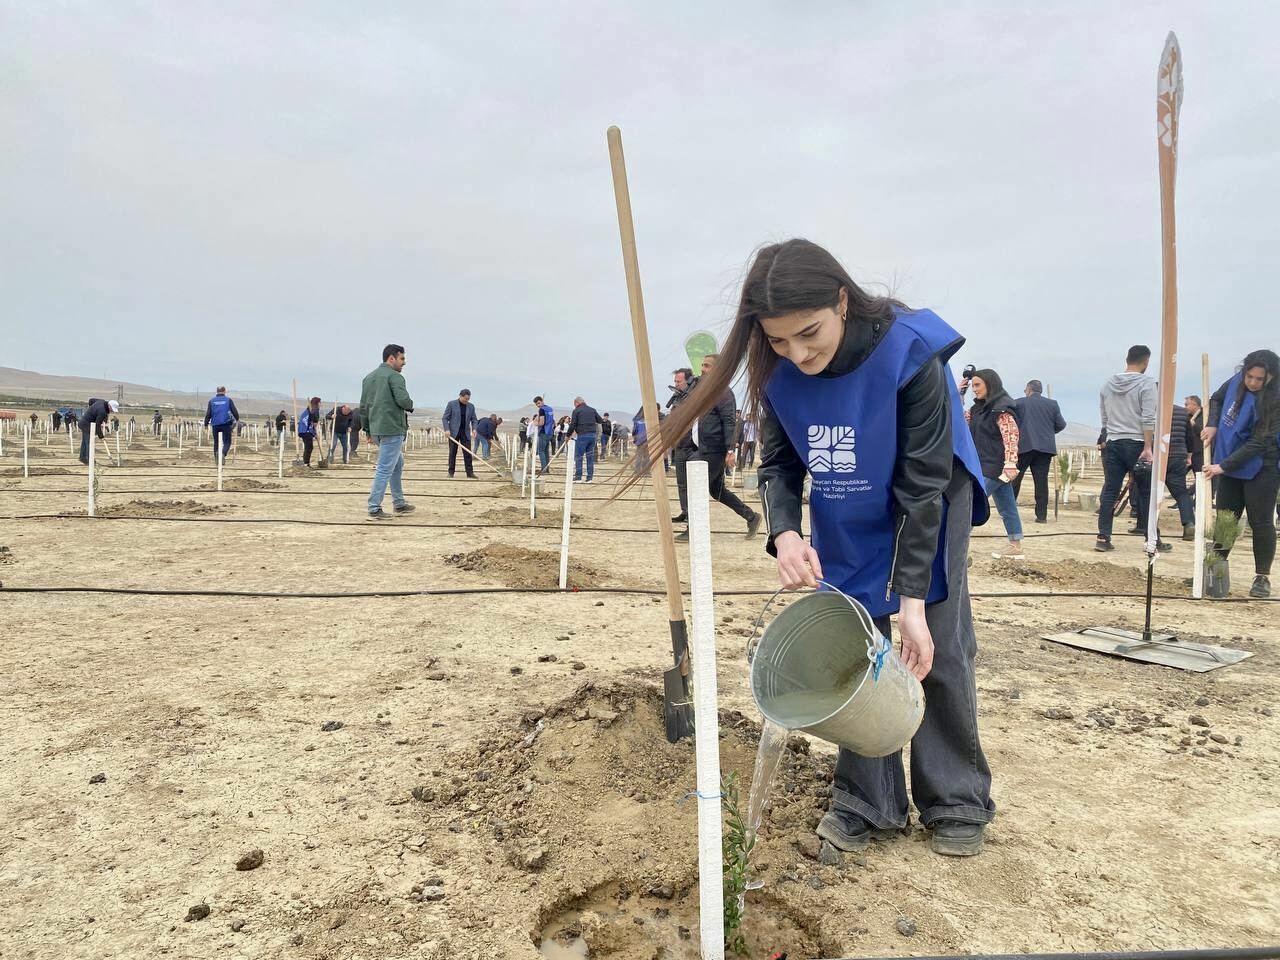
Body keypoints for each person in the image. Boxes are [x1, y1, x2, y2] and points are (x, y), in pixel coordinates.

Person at [627, 239, 993, 856]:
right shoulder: (779, 373)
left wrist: (909, 602)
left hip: (925, 500)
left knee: (932, 640)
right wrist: (787, 531)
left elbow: (923, 489)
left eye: (809, 333)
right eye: (778, 340)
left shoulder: (908, 356)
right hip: (846, 497)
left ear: (842, 301)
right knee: (853, 638)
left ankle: (955, 798)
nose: (797, 353)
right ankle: (868, 800)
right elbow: (778, 463)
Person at [1203, 349, 1280, 598]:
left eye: (1261, 379)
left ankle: (1262, 578)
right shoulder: (1236, 381)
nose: (1254, 383)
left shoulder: (1277, 397)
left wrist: (1223, 466)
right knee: (1227, 518)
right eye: (1250, 377)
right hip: (1229, 461)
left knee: (1261, 522)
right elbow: (1216, 399)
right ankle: (1215, 571)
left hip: (1262, 466)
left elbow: (1260, 441)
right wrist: (1212, 424)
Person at [672, 354, 761, 542]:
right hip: (700, 447)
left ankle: (693, 529)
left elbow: (729, 422)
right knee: (717, 490)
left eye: (707, 366)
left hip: (714, 449)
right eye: (702, 365)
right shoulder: (701, 391)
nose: (702, 369)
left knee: (696, 487)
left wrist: (730, 450)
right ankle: (752, 517)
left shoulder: (723, 393)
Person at [1096, 345, 1168, 552]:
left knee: (1110, 489)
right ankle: (1152, 539)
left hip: (1114, 442)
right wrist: (1148, 446)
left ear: (1127, 359)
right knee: (1146, 492)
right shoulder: (1147, 384)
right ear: (1145, 362)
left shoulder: (1107, 385)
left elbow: (1104, 418)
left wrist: (1109, 437)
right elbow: (1148, 417)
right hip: (1138, 443)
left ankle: (1103, 537)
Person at [964, 370, 1025, 559]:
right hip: (983, 464)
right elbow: (959, 421)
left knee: (971, 503)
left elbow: (1010, 436)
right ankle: (1015, 545)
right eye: (972, 386)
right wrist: (958, 393)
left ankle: (959, 546)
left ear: (990, 384)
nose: (974, 390)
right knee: (1007, 505)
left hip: (994, 467)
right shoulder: (978, 409)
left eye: (977, 385)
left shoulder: (1002, 409)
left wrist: (1010, 463)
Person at [360, 343, 416, 519]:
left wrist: (368, 430)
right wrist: (410, 405)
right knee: (385, 468)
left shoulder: (369, 378)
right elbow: (403, 400)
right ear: (391, 358)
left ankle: (399, 503)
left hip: (377, 429)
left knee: (397, 464)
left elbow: (364, 407)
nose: (404, 363)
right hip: (391, 428)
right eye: (402, 358)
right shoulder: (394, 377)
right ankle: (374, 507)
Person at [1011, 380, 1065, 524]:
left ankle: (1009, 510)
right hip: (1044, 449)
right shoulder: (1052, 404)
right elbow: (1061, 425)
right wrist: (1047, 432)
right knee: (1041, 482)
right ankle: (1042, 516)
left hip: (1024, 447)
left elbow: (1012, 421)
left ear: (1029, 389)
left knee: (1015, 479)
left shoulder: (1019, 403)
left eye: (1025, 389)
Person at [667, 367, 698, 523]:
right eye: (675, 381)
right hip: (680, 445)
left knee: (696, 484)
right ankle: (685, 511)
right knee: (682, 483)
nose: (676, 384)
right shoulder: (677, 399)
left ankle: (693, 514)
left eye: (678, 381)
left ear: (688, 380)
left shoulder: (696, 397)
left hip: (694, 447)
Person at [1163, 402, 1197, 541]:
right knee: (1181, 492)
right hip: (1178, 455)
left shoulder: (1149, 410)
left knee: (1147, 491)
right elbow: (1190, 437)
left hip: (1158, 455)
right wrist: (1189, 455)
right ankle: (1189, 523)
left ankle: (1144, 525)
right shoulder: (1183, 413)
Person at [442, 388, 478, 478]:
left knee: (468, 453)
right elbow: (445, 418)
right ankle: (451, 472)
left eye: (468, 399)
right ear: (460, 396)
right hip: (453, 433)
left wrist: (474, 429)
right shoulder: (451, 404)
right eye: (465, 398)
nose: (467, 400)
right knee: (452, 453)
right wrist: (447, 429)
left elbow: (474, 419)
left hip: (465, 433)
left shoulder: (471, 406)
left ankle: (470, 473)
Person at [566, 396, 602, 483]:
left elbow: (573, 424)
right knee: (590, 457)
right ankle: (589, 478)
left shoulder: (576, 411)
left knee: (579, 456)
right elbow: (600, 420)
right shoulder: (592, 410)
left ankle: (578, 477)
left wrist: (568, 435)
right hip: (592, 435)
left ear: (576, 403)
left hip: (582, 435)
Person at [203, 386, 240, 464]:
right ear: (224, 391)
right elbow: (234, 411)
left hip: (215, 424)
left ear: (217, 391)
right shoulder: (228, 400)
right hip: (226, 424)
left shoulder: (211, 401)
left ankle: (217, 459)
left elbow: (208, 414)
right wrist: (237, 419)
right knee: (227, 441)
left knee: (216, 442)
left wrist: (205, 424)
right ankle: (222, 453)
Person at [78, 398, 119, 465]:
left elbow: (91, 400)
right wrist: (101, 436)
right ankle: (90, 460)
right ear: (109, 405)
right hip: (87, 424)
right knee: (89, 442)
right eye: (112, 409)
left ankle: (82, 457)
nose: (112, 411)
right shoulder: (103, 412)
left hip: (84, 421)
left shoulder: (101, 401)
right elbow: (97, 425)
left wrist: (91, 410)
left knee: (85, 441)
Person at [533, 396, 554, 473]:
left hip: (543, 432)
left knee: (541, 451)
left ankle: (543, 469)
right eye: (536, 404)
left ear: (542, 401)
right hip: (550, 432)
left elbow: (542, 422)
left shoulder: (542, 410)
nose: (538, 405)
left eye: (538, 403)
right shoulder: (550, 409)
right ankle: (546, 469)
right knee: (546, 452)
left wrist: (535, 423)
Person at [298, 397, 321, 466]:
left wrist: (314, 433)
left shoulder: (308, 409)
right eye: (320, 402)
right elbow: (314, 424)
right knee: (309, 447)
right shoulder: (315, 410)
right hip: (306, 431)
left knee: (308, 447)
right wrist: (315, 434)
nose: (320, 404)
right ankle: (306, 463)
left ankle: (306, 462)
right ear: (317, 403)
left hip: (302, 430)